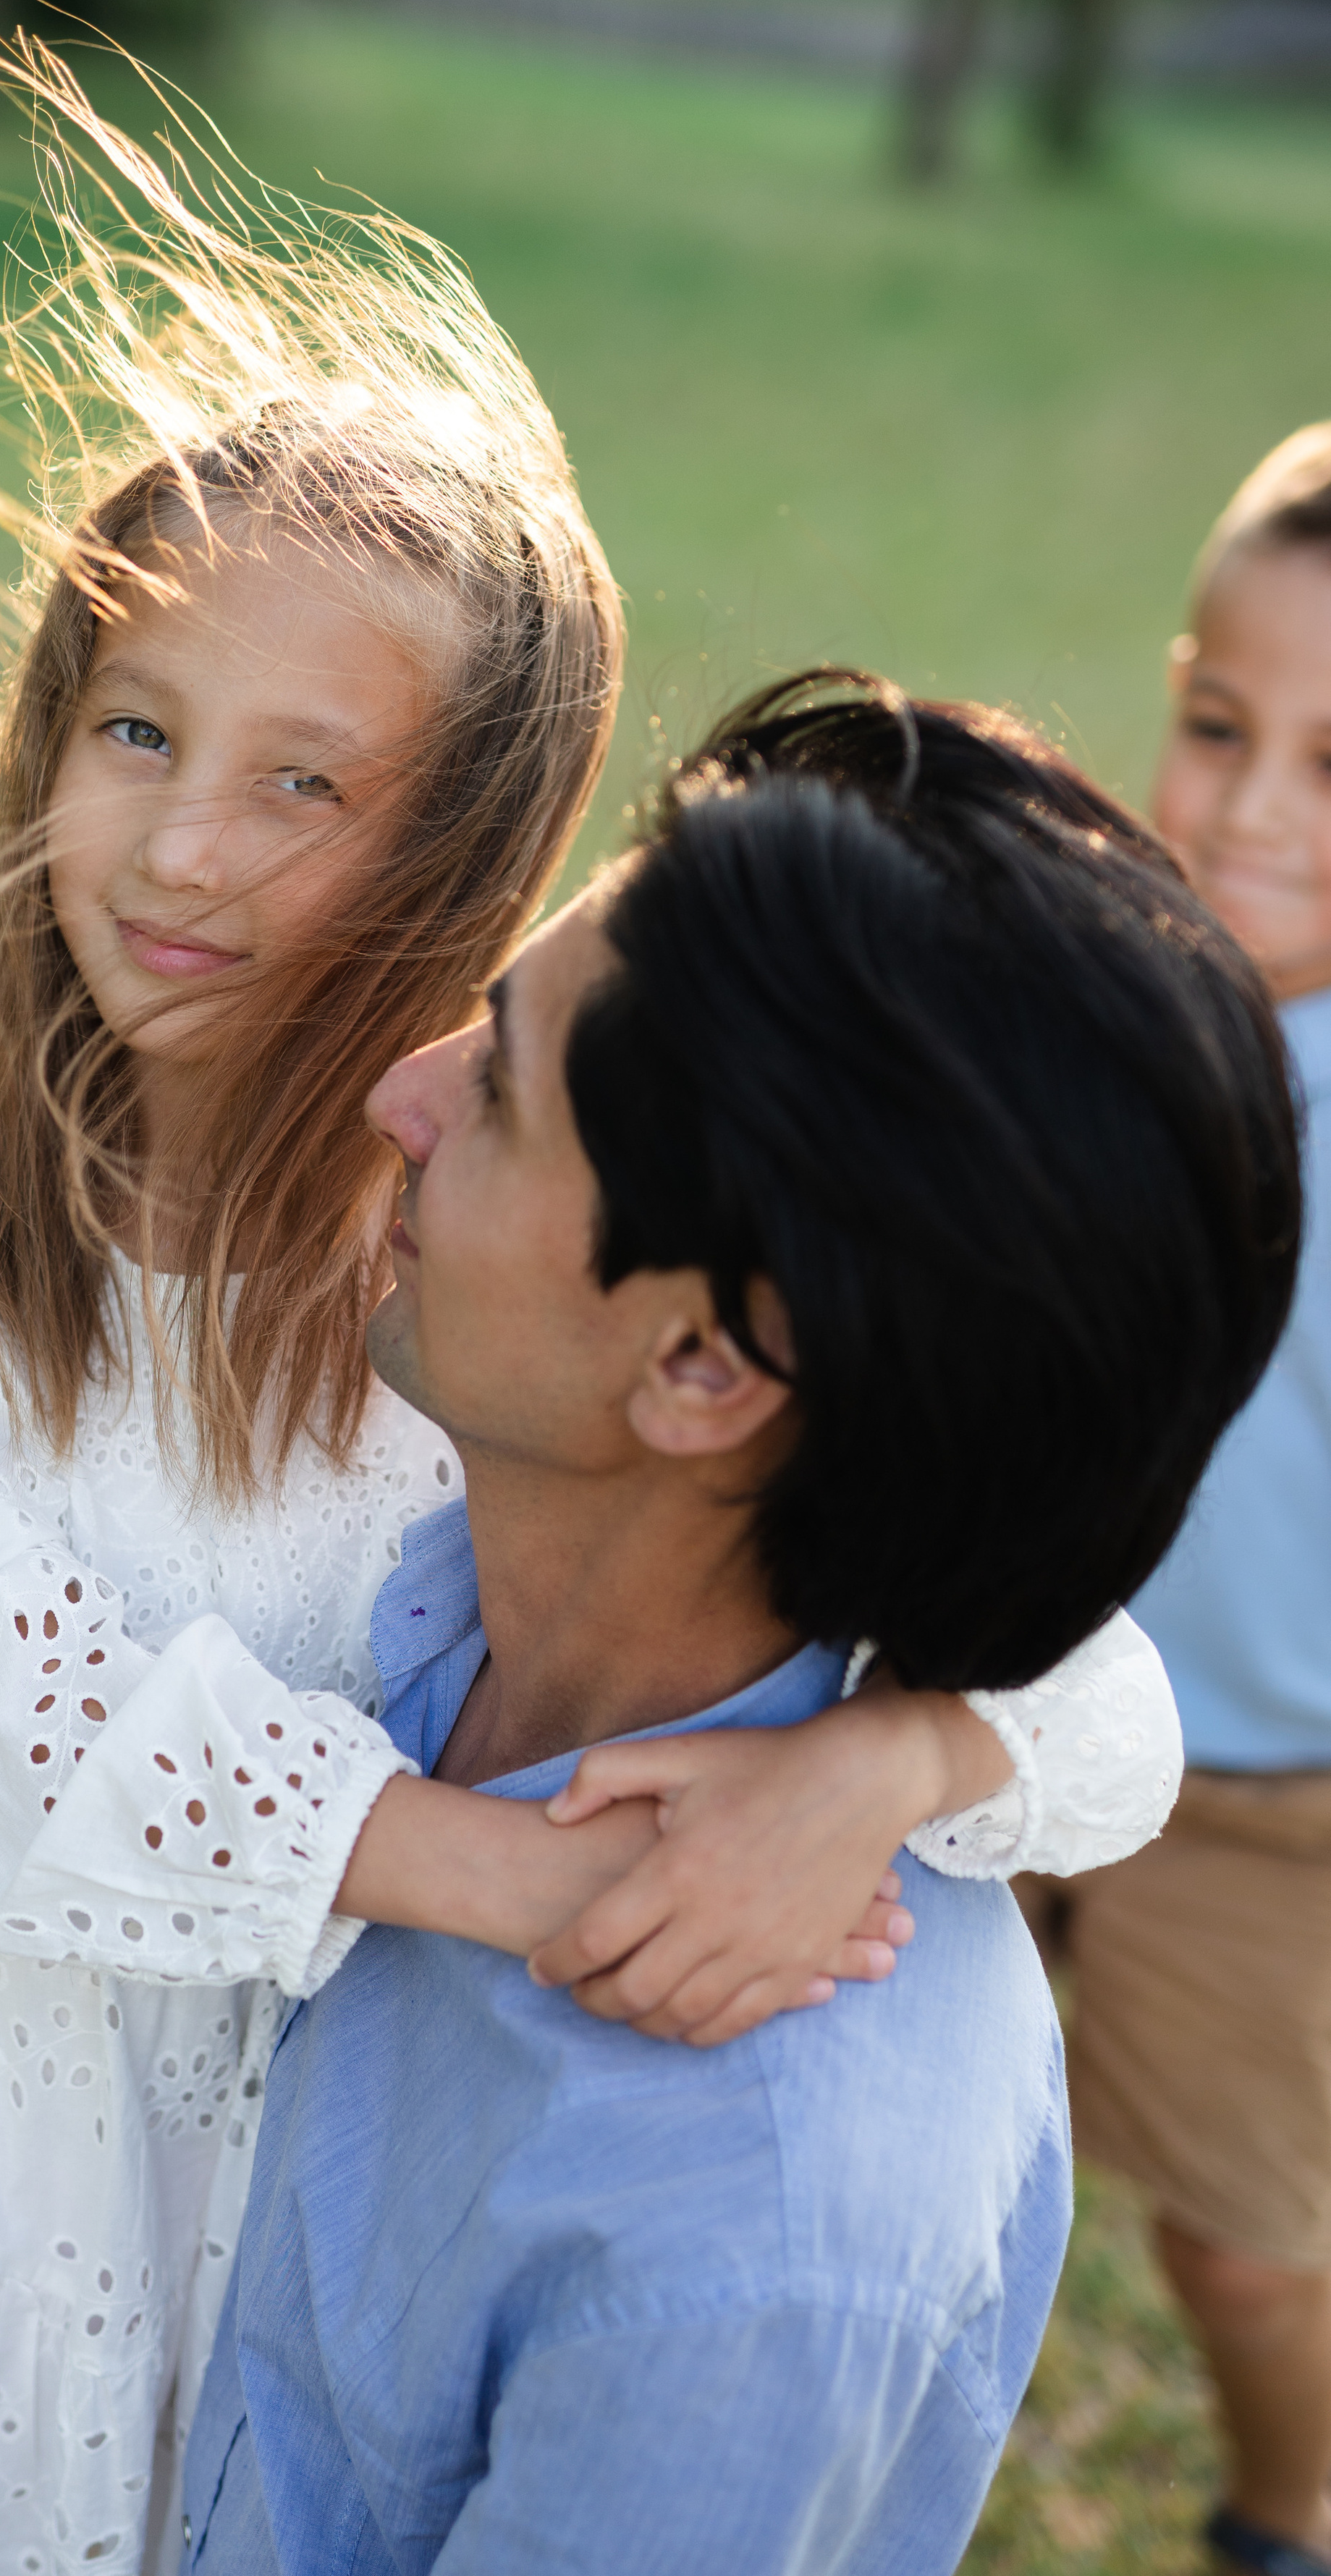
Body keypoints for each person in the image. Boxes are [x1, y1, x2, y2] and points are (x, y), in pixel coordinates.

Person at [0, 0, 1178, 2576]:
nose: (176, 847)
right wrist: (492, 1869)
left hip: (231, 2196)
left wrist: (888, 1765)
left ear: (465, 867)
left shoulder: (473, 1266)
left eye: (303, 785)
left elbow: (1101, 1677)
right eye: (135, 728)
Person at [186, 677, 1301, 2576]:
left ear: (704, 1367)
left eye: (502, 1086)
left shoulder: (748, 2246)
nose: (400, 1093)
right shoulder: (374, 1537)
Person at [1020, 423, 1331, 2576]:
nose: (1244, 808)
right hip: (1010, 1706)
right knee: (924, 2143)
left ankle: (1291, 2514)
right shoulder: (1101, 992)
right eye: (1218, 725)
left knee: (1246, 2248)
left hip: (1276, 1799)